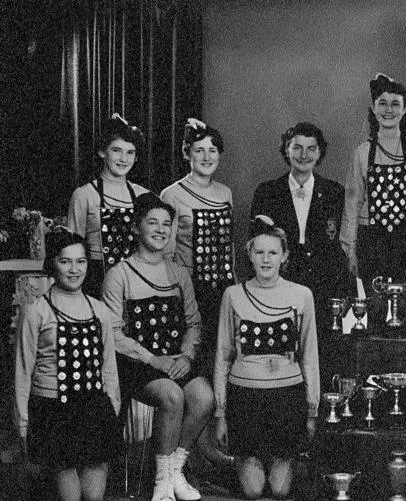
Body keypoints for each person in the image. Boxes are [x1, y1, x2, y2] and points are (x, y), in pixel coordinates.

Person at [102, 194, 214, 501]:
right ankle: (161, 480)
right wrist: (154, 360)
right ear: (137, 228)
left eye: (167, 224)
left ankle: (176, 470)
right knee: (172, 397)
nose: (161, 230)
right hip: (137, 363)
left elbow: (194, 322)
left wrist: (186, 357)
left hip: (175, 360)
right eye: (153, 222)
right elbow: (113, 332)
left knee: (204, 397)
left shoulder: (179, 274)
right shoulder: (119, 274)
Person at [14, 228, 123, 501]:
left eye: (81, 261)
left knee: (94, 497)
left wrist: (111, 410)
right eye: (65, 261)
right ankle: (46, 470)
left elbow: (108, 367)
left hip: (91, 408)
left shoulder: (99, 310)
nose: (74, 270)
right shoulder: (36, 311)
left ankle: (68, 466)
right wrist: (23, 425)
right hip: (54, 411)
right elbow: (22, 372)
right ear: (52, 263)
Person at [214, 216, 319, 500]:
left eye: (273, 252)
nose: (266, 259)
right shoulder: (232, 295)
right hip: (245, 398)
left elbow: (309, 356)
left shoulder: (302, 295)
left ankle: (279, 459)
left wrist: (312, 410)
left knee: (281, 490)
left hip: (287, 398)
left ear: (284, 256)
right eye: (259, 252)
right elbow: (223, 357)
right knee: (252, 491)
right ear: (249, 255)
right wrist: (221, 414)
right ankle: (243, 460)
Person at [339, 73, 406, 334]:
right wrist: (350, 247)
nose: (388, 110)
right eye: (382, 103)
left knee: (404, 314)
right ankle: (374, 375)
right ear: (373, 108)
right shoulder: (361, 152)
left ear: (405, 110)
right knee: (374, 313)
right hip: (372, 240)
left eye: (395, 104)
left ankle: (403, 374)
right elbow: (352, 203)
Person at [250, 122, 355, 337]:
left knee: (325, 359)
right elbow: (255, 246)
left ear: (319, 152)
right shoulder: (267, 192)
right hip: (279, 286)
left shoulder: (335, 192)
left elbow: (343, 245)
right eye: (297, 147)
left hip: (324, 292)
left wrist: (346, 292)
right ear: (286, 150)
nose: (304, 155)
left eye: (311, 148)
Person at [160, 118, 236, 373]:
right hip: (188, 286)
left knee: (219, 351)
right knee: (193, 353)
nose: (206, 157)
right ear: (187, 153)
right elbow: (166, 251)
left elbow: (228, 245)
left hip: (220, 285)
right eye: (199, 150)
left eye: (212, 150)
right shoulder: (172, 194)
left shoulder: (225, 193)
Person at [67, 113, 151, 297]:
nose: (124, 159)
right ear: (102, 152)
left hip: (137, 281)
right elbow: (71, 250)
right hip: (97, 282)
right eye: (116, 150)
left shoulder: (144, 195)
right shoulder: (84, 195)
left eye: (130, 152)